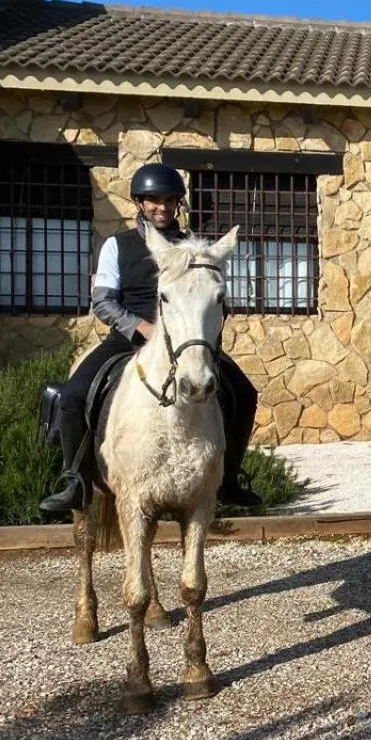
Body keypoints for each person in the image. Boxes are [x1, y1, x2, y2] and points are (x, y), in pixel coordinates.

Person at [40, 164, 262, 514]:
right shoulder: (117, 246)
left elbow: (214, 298)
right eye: (154, 200)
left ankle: (229, 478)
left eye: (169, 200)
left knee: (245, 393)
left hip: (185, 342)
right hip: (129, 339)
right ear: (140, 203)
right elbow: (103, 301)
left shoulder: (195, 249)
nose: (162, 207)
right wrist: (141, 327)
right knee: (71, 396)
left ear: (178, 204)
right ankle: (76, 482)